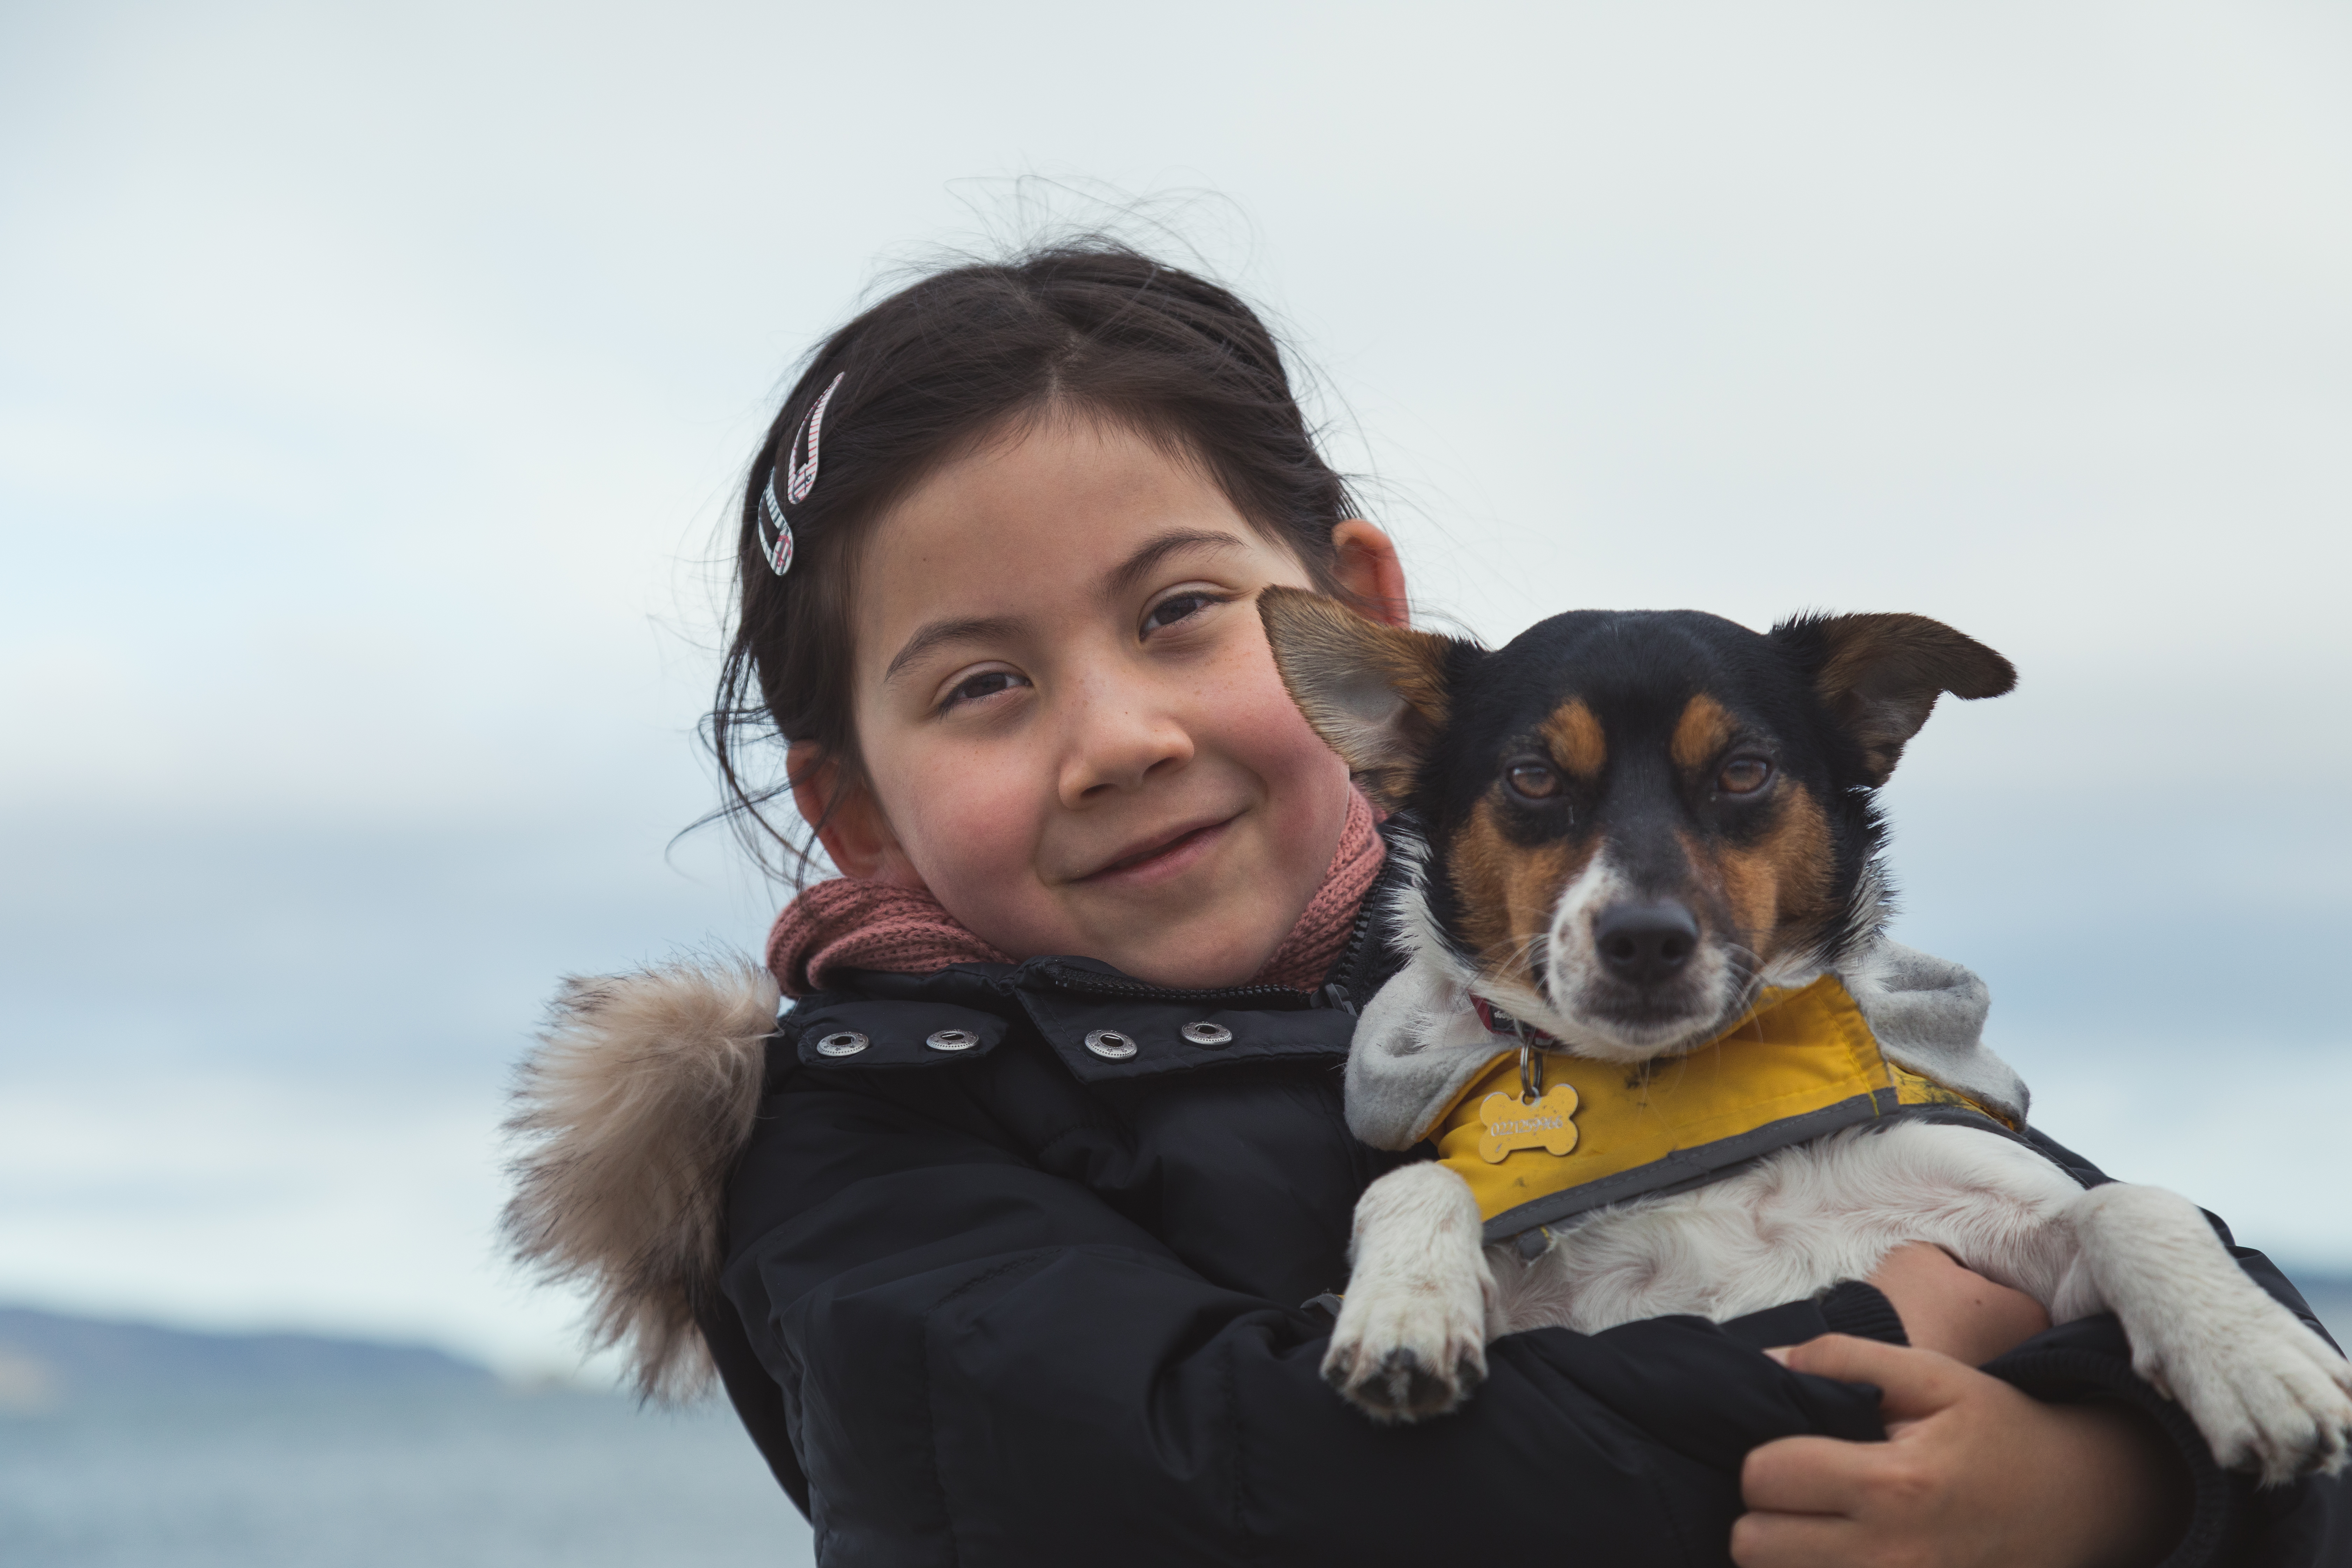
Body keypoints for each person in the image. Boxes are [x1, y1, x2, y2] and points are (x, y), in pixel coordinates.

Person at [504, 242, 2348, 1566]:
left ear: (1352, 639)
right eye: (983, 686)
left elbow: (2267, 1366)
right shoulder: (862, 1144)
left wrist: (2112, 1489)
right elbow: (1239, 1488)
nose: (1120, 738)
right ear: (852, 809)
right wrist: (1903, 1334)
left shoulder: (1597, 1032)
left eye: (1175, 615)